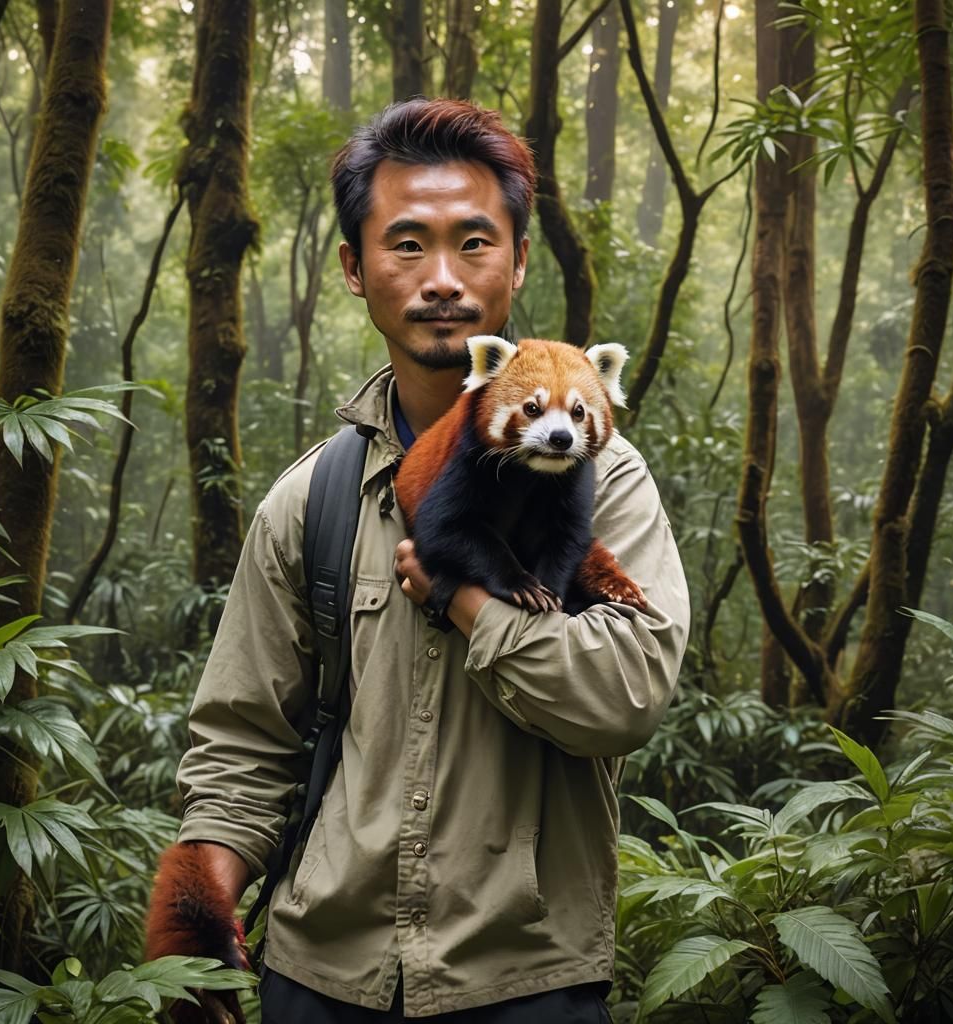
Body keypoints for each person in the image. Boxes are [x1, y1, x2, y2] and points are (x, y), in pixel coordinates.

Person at [155, 98, 690, 1023]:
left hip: (525, 980)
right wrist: (192, 935)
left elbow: (626, 693)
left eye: (474, 242)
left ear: (519, 260)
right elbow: (244, 746)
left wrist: (469, 602)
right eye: (406, 244)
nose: (442, 277)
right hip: (320, 976)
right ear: (354, 269)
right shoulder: (311, 499)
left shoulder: (607, 476)